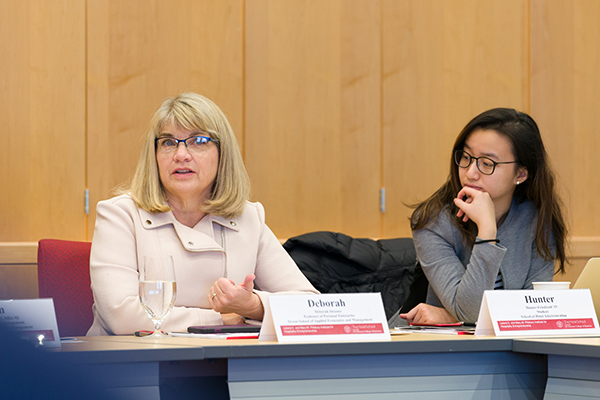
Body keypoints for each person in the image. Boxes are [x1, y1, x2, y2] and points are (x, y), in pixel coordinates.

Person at [87, 93, 318, 335]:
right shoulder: (120, 215)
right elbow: (120, 316)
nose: (181, 155)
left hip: (229, 365)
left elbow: (308, 306)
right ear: (153, 156)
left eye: (198, 141)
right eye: (168, 142)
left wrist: (253, 306)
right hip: (136, 365)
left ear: (222, 153)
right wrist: (220, 320)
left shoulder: (248, 217)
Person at [400, 108, 568, 324]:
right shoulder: (432, 222)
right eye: (467, 157)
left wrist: (450, 315)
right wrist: (487, 232)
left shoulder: (537, 219)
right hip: (439, 347)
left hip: (512, 347)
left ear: (521, 174)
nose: (470, 172)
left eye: (487, 164)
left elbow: (534, 311)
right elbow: (469, 310)